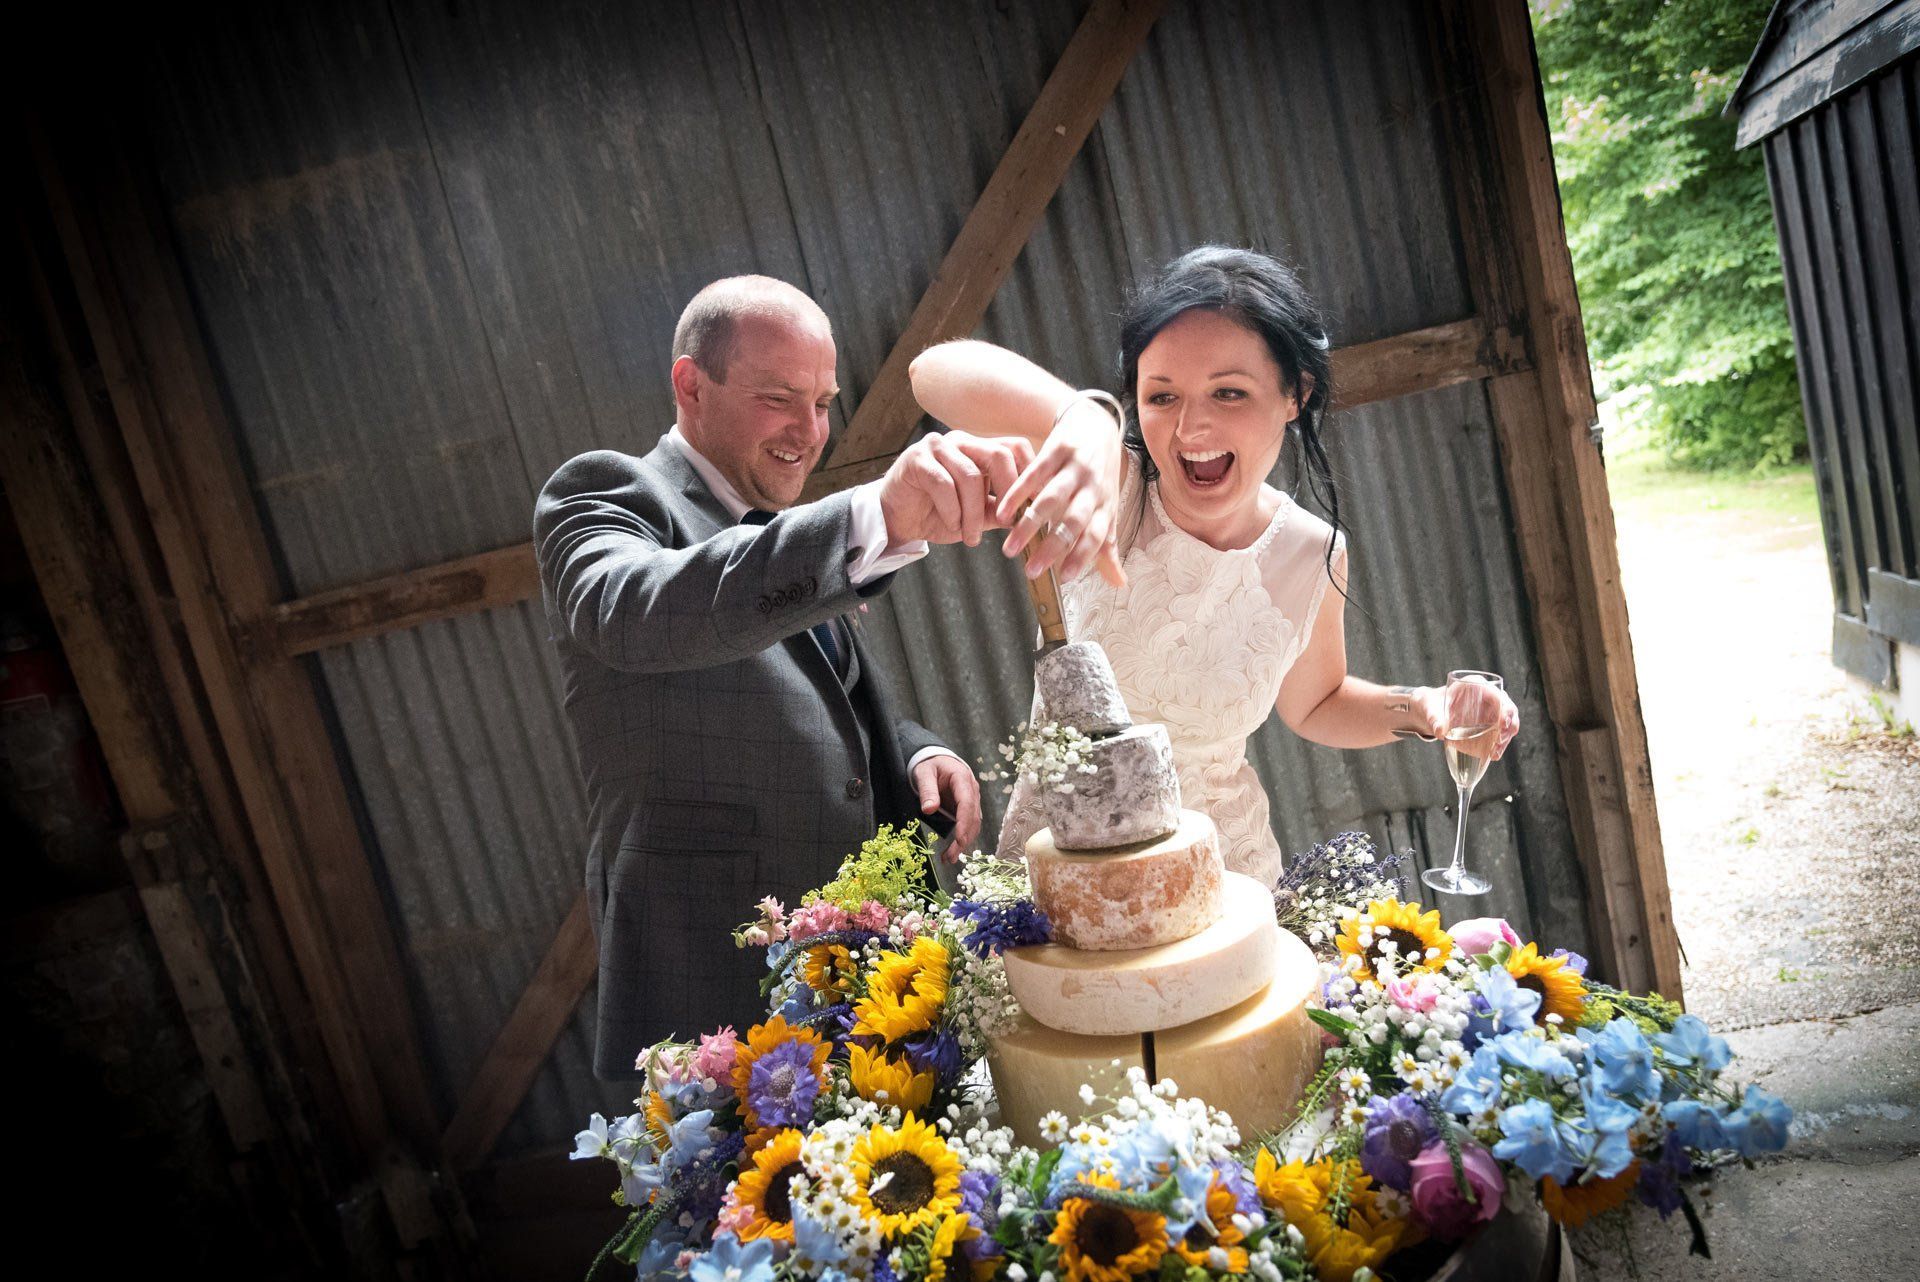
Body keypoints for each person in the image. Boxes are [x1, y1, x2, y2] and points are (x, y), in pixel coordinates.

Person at [536, 275, 1036, 1077]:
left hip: (877, 977)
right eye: (780, 399)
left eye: (823, 402)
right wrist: (877, 513)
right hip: (722, 986)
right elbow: (636, 611)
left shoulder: (785, 533)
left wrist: (911, 751)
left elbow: (813, 702)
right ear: (690, 384)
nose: (810, 432)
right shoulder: (605, 494)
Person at [909, 245, 1521, 885]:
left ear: (1295, 394)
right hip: (1068, 864)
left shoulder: (1314, 551)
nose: (1191, 428)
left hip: (1225, 876)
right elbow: (932, 371)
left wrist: (1423, 708)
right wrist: (1084, 420)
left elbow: (1317, 703)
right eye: (1162, 396)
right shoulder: (1115, 484)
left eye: (1228, 392)